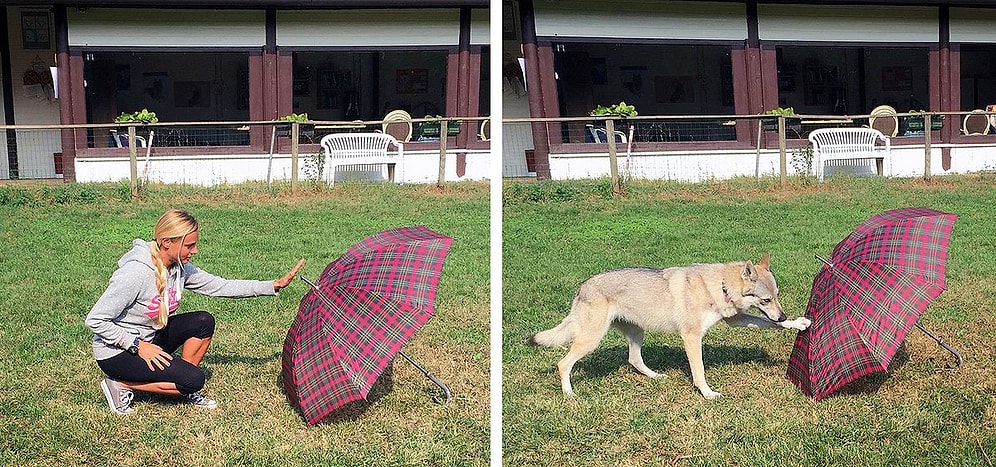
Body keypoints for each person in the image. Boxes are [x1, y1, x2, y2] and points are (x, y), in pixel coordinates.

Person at [85, 209, 305, 415]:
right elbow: (96, 320)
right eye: (189, 245)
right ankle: (120, 384)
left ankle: (179, 384)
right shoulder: (136, 272)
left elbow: (220, 286)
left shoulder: (177, 267)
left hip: (149, 338)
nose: (195, 251)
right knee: (194, 380)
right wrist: (137, 345)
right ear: (166, 242)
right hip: (116, 352)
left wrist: (272, 285)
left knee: (203, 321)